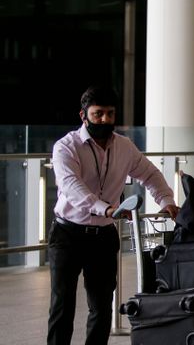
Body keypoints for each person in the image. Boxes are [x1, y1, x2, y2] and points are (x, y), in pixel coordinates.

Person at [48, 86, 180, 345]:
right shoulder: (66, 147)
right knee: (62, 306)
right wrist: (106, 208)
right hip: (68, 234)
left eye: (110, 114)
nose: (105, 120)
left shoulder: (125, 147)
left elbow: (150, 174)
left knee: (101, 308)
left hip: (103, 236)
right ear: (83, 115)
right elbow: (71, 187)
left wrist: (166, 201)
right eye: (98, 114)